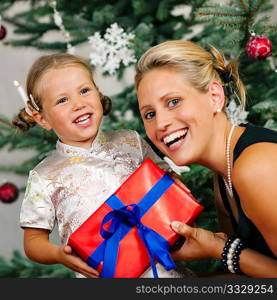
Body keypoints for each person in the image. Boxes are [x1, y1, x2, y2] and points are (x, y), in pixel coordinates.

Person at [14, 53, 190, 278]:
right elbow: (33, 241)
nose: (78, 104)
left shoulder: (130, 140)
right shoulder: (44, 175)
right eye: (62, 100)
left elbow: (168, 181)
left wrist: (177, 189)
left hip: (163, 265)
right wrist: (59, 254)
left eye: (84, 90)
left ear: (98, 92)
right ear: (43, 119)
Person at [135, 40, 277, 278]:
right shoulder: (224, 174)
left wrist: (219, 247)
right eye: (149, 114)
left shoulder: (256, 167)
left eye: (173, 102)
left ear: (214, 96)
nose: (160, 124)